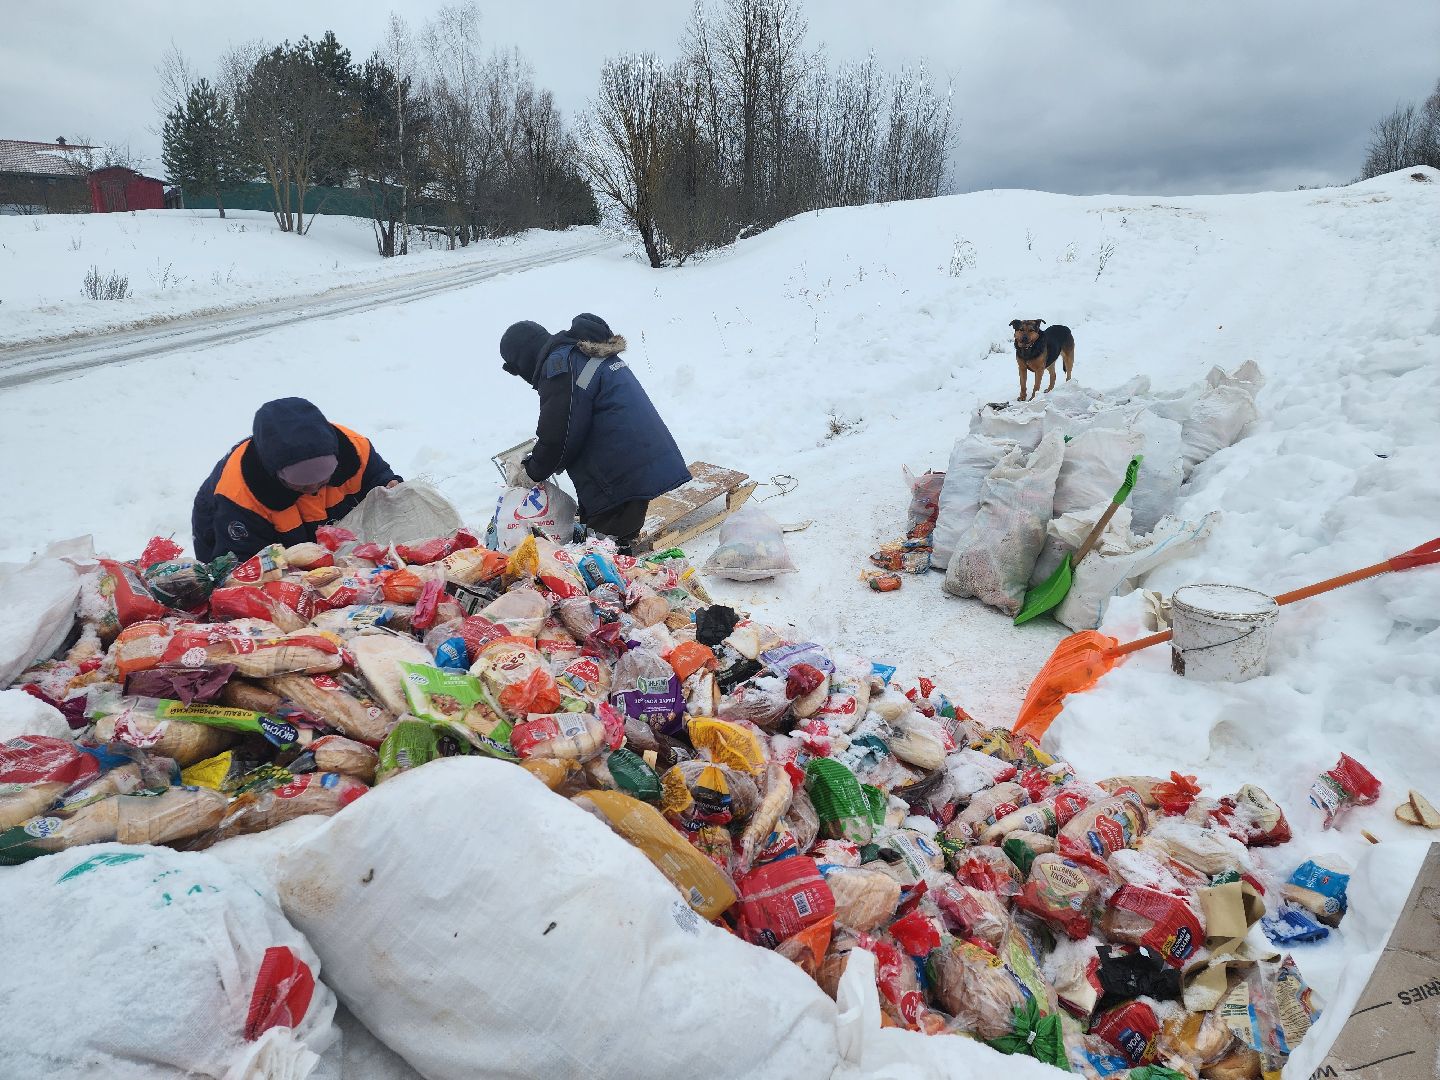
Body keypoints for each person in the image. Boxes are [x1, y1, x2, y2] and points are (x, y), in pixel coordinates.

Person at [499, 313, 690, 552]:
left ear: (522, 360)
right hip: (635, 459)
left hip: (619, 475)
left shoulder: (559, 366)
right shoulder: (578, 356)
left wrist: (532, 471)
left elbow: (559, 434)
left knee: (600, 556)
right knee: (605, 545)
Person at [192, 397, 401, 562]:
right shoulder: (240, 495)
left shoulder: (356, 450)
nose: (313, 489)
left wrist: (389, 484)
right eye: (301, 484)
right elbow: (242, 564)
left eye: (323, 480)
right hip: (229, 534)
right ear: (275, 473)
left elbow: (378, 479)